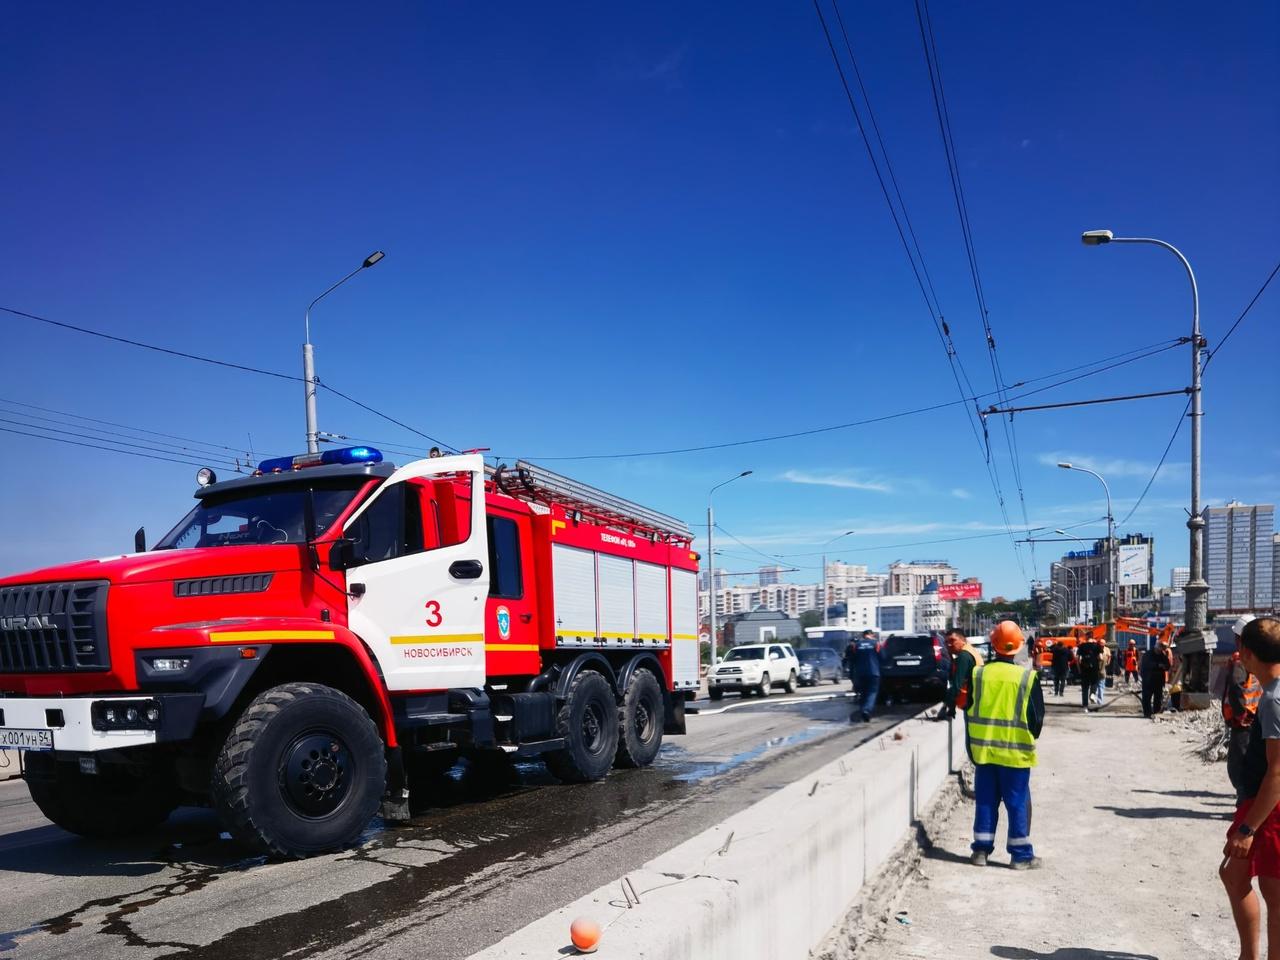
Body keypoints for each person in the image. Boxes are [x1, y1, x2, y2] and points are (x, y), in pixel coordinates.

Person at [1221, 617, 1280, 960]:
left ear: (1249, 652)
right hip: (1261, 803)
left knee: (1273, 892)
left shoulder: (1273, 699)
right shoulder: (1272, 689)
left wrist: (1247, 828)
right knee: (1233, 874)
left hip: (1266, 807)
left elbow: (1277, 772)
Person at [965, 620, 1044, 869]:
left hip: (985, 752)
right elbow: (1036, 718)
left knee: (986, 801)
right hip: (1015, 754)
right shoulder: (1027, 678)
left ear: (993, 645)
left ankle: (980, 852)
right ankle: (1020, 856)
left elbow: (968, 709)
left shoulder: (978, 674)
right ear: (1019, 646)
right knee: (1017, 802)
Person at [1226, 615, 1263, 802]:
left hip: (1244, 720)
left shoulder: (1240, 659)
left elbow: (1236, 687)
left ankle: (1244, 803)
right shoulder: (1262, 658)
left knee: (1239, 767)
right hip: (1258, 716)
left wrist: (1240, 713)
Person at [939, 628, 984, 721]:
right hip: (977, 700)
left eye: (952, 640)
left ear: (963, 640)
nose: (949, 644)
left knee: (970, 734)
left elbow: (956, 685)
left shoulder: (964, 657)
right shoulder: (971, 651)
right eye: (946, 642)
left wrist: (949, 707)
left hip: (970, 703)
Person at [849, 630, 883, 724]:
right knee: (872, 693)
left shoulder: (857, 645)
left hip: (860, 673)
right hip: (874, 672)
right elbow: (883, 657)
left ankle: (863, 711)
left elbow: (852, 659)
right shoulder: (876, 644)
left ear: (863, 636)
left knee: (863, 693)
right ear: (871, 635)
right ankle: (866, 710)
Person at [1140, 639, 1174, 719]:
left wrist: (1165, 666)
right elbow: (1146, 665)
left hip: (1158, 680)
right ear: (1157, 648)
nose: (1160, 651)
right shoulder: (1148, 654)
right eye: (1160, 649)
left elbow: (1168, 665)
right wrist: (1158, 665)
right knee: (1146, 697)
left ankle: (1156, 712)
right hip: (1148, 680)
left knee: (1158, 698)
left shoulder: (1162, 655)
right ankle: (1147, 713)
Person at [1076, 637, 1103, 712]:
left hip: (1084, 668)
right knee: (1094, 682)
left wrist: (1079, 669)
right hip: (1094, 668)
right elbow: (1101, 658)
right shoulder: (1097, 646)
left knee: (1084, 688)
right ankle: (1092, 694)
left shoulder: (1081, 646)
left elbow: (1077, 658)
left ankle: (1085, 706)